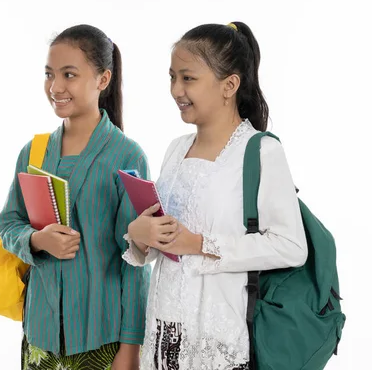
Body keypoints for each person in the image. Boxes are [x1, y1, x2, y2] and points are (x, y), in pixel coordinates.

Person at [123, 22, 308, 370]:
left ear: (230, 85)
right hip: (163, 337)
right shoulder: (176, 150)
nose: (176, 89)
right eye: (172, 77)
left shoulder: (261, 152)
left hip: (216, 344)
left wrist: (200, 244)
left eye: (188, 78)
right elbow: (164, 240)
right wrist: (140, 236)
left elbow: (291, 246)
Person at [0, 24, 151, 370]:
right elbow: (8, 222)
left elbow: (137, 262)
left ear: (103, 79)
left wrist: (131, 348)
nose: (55, 87)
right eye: (49, 74)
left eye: (69, 74)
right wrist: (35, 240)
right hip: (40, 336)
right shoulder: (33, 152)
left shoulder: (127, 157)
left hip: (102, 338)